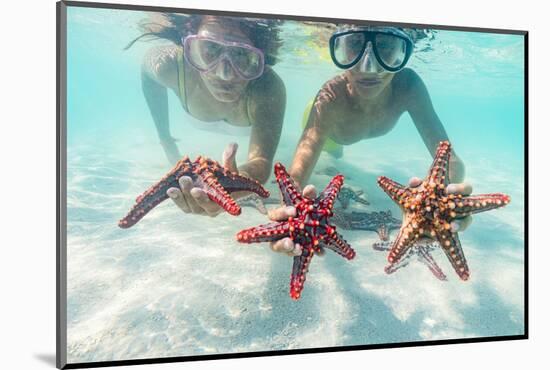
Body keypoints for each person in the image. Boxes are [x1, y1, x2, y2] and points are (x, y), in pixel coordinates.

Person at [269, 25, 471, 256]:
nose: (369, 67)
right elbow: (296, 176)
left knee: (336, 158)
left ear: (402, 52)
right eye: (354, 45)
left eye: (385, 47)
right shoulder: (330, 98)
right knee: (331, 154)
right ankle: (332, 150)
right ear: (340, 49)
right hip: (327, 132)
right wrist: (287, 210)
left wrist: (441, 204)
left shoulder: (409, 87)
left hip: (346, 132)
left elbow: (449, 159)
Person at [126, 14, 286, 217]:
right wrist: (165, 138)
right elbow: (147, 74)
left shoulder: (267, 89)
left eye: (240, 53)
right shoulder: (169, 65)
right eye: (211, 47)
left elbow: (261, 160)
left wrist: (236, 181)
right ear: (189, 49)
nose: (224, 74)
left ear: (259, 57)